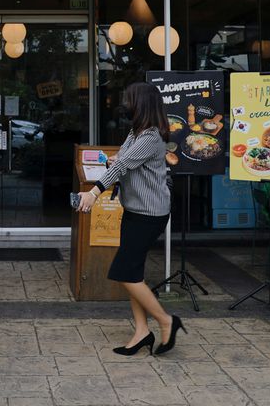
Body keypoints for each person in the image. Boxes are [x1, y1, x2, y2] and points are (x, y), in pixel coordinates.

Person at [76, 82, 185, 357]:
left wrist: (93, 193)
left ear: (142, 104)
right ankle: (141, 332)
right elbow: (122, 158)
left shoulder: (151, 137)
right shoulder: (135, 133)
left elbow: (123, 164)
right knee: (133, 272)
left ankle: (166, 320)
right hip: (135, 210)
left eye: (129, 100)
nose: (125, 105)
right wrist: (117, 159)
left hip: (150, 214)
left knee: (124, 272)